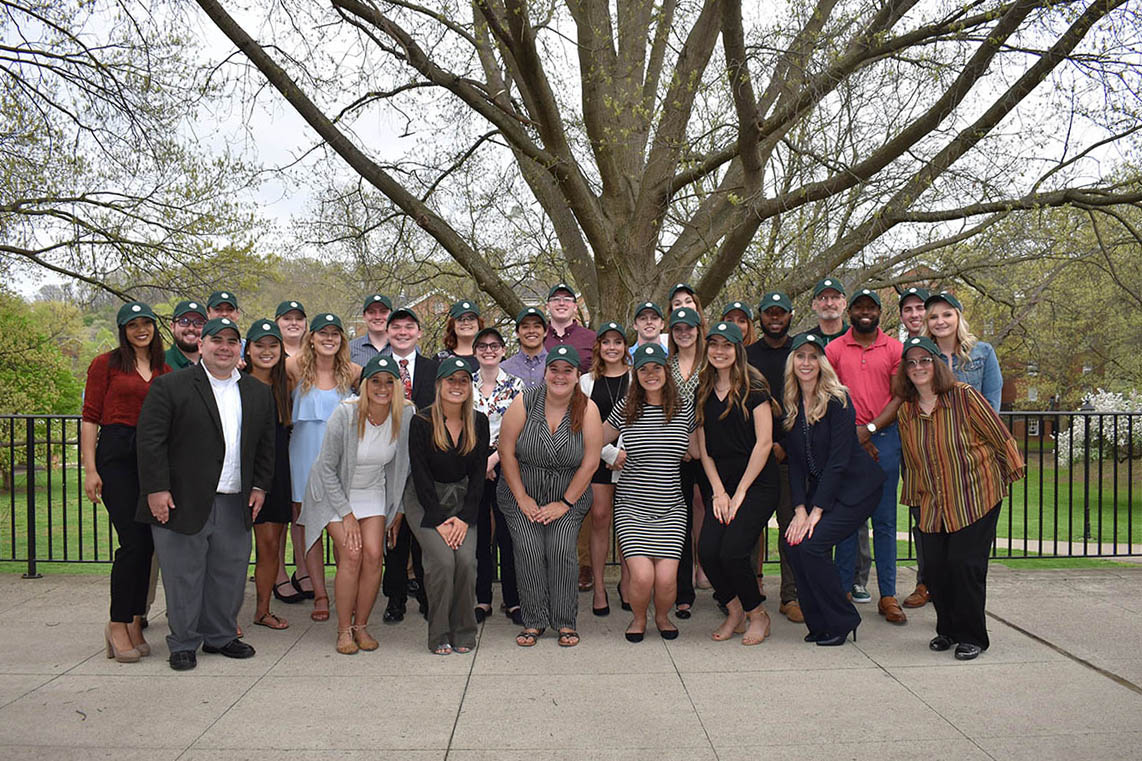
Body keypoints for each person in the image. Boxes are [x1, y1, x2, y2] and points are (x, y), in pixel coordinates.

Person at [136, 317, 275, 671]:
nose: (225, 347)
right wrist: (155, 489)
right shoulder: (170, 386)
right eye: (217, 340)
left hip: (235, 499)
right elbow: (150, 442)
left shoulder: (257, 392)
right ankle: (183, 642)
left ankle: (221, 635)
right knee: (183, 575)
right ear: (202, 345)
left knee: (228, 573)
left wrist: (259, 486)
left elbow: (265, 447)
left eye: (232, 341)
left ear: (239, 348)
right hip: (181, 500)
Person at [895, 336, 1024, 660]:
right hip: (932, 501)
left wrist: (1007, 477)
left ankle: (972, 636)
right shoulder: (906, 412)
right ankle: (948, 630)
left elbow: (999, 436)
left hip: (976, 495)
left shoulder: (964, 397)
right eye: (911, 363)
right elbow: (911, 461)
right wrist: (913, 500)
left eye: (925, 360)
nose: (918, 367)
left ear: (937, 364)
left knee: (965, 565)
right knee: (935, 569)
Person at [299, 354, 413, 654]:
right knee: (352, 553)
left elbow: (402, 467)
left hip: (372, 488)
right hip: (333, 491)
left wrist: (397, 509)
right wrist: (347, 515)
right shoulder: (345, 414)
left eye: (389, 382)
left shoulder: (405, 414)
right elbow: (325, 468)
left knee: (375, 555)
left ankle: (361, 626)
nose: (382, 387)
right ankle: (343, 630)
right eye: (375, 381)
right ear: (364, 384)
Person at [82, 301, 171, 662]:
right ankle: (117, 622)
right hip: (117, 456)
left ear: (153, 327)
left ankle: (135, 619)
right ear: (123, 330)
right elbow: (90, 417)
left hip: (150, 459)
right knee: (132, 542)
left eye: (145, 323)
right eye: (132, 325)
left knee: (148, 544)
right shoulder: (106, 364)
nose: (140, 330)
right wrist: (90, 469)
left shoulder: (164, 370)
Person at [782, 333, 884, 646]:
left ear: (823, 363)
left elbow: (838, 462)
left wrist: (816, 512)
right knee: (792, 544)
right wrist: (799, 509)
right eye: (801, 356)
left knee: (812, 545)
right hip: (823, 491)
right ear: (793, 363)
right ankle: (819, 622)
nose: (807, 363)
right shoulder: (791, 402)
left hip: (857, 489)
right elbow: (797, 464)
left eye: (814, 356)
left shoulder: (838, 399)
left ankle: (843, 620)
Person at [497, 345, 602, 647]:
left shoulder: (588, 409)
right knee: (529, 548)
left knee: (560, 548)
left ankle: (565, 621)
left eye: (567, 370)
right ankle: (534, 621)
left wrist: (564, 503)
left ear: (577, 375)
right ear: (545, 373)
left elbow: (591, 462)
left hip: (568, 494)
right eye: (554, 369)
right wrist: (522, 498)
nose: (559, 376)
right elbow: (506, 451)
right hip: (522, 491)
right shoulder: (524, 402)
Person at [603, 343, 695, 642]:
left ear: (666, 371)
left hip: (671, 508)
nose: (651, 374)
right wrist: (609, 453)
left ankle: (663, 616)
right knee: (642, 577)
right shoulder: (626, 408)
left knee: (667, 581)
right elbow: (590, 440)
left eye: (657, 367)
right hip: (632, 505)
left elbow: (698, 449)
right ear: (636, 373)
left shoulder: (683, 408)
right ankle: (639, 618)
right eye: (644, 369)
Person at [826, 288, 907, 624]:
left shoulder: (895, 349)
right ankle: (843, 591)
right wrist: (854, 434)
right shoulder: (833, 349)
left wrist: (870, 430)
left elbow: (899, 396)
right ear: (850, 312)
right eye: (858, 306)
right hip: (846, 440)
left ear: (879, 312)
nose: (864, 312)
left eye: (870, 307)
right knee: (847, 521)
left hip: (884, 439)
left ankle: (887, 595)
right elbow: (829, 395)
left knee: (885, 522)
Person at [695, 322, 779, 645]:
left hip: (756, 483)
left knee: (732, 551)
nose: (719, 351)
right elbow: (705, 449)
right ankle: (734, 610)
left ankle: (758, 614)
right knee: (708, 550)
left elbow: (764, 443)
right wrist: (718, 491)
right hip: (722, 484)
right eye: (713, 344)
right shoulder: (702, 390)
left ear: (738, 349)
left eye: (726, 345)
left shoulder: (754, 388)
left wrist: (740, 491)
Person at [404, 358, 490, 654]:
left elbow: (479, 475)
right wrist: (439, 519)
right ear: (439, 385)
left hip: (463, 500)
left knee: (466, 562)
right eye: (450, 380)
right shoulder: (422, 421)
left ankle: (464, 631)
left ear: (470, 386)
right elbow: (420, 474)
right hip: (425, 501)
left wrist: (465, 518)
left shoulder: (479, 421)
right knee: (442, 562)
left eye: (463, 380)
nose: (456, 386)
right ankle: (439, 632)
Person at [287, 313, 362, 622]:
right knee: (309, 528)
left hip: (341, 462)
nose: (329, 339)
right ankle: (319, 591)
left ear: (342, 339)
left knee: (344, 528)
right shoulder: (293, 369)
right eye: (323, 333)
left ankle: (349, 590)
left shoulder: (354, 373)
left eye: (335, 334)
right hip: (302, 457)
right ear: (312, 338)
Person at [745, 291, 802, 623]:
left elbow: (808, 403)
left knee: (789, 528)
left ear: (790, 315)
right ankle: (750, 594)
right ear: (761, 317)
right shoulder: (747, 356)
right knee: (751, 528)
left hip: (789, 455)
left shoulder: (801, 352)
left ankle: (791, 595)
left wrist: (784, 443)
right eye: (769, 313)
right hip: (754, 454)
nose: (775, 318)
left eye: (781, 313)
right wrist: (763, 444)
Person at [379, 307, 438, 622]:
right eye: (396, 327)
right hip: (388, 460)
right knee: (394, 534)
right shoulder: (377, 368)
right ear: (388, 333)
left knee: (423, 534)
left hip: (426, 461)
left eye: (409, 327)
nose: (403, 332)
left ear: (419, 333)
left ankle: (428, 598)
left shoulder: (433, 368)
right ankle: (395, 598)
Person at [471, 326, 525, 625]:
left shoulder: (516, 385)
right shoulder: (465, 383)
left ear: (503, 350)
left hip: (506, 465)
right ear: (475, 351)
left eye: (494, 345)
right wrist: (481, 463)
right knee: (479, 537)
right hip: (474, 467)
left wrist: (494, 460)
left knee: (508, 534)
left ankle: (513, 600)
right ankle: (482, 599)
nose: (488, 350)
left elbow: (519, 428)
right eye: (482, 346)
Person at [243, 320, 295, 631]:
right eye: (259, 345)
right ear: (247, 349)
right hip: (247, 476)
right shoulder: (235, 383)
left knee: (272, 545)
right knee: (235, 550)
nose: (266, 351)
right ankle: (221, 615)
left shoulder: (285, 385)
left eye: (273, 345)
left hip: (278, 473)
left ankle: (262, 610)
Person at [579, 321, 631, 615]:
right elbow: (580, 425)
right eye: (606, 342)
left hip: (631, 461)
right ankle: (599, 587)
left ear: (625, 347)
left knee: (626, 523)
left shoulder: (637, 378)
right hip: (597, 459)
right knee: (599, 517)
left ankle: (627, 582)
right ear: (598, 346)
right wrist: (607, 451)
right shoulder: (586, 382)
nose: (612, 347)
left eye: (618, 342)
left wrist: (624, 451)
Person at [895, 286, 931, 610]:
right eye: (909, 309)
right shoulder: (900, 351)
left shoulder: (948, 348)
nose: (915, 314)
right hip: (912, 445)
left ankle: (946, 580)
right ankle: (926, 581)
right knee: (921, 514)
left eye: (920, 307)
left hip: (950, 448)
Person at [667, 307, 704, 618]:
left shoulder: (712, 363)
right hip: (677, 454)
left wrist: (697, 442)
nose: (683, 333)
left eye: (688, 328)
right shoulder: (665, 368)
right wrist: (682, 443)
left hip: (709, 452)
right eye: (677, 328)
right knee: (681, 522)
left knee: (716, 520)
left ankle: (724, 586)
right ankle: (682, 591)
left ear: (698, 330)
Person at [923, 292, 1003, 412]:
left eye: (947, 315)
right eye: (933, 317)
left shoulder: (983, 352)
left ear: (958, 318)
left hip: (975, 429)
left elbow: (992, 404)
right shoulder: (922, 357)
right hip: (936, 429)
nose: (940, 322)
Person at [543, 283, 594, 371]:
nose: (561, 303)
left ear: (575, 307)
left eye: (567, 299)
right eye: (556, 299)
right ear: (547, 307)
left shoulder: (592, 338)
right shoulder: (536, 339)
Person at [501, 307, 549, 387]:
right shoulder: (504, 369)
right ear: (517, 333)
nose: (531, 331)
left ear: (545, 332)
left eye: (537, 326)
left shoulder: (557, 366)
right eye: (525, 327)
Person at [799, 277, 848, 346]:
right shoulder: (804, 342)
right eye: (823, 298)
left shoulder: (857, 337)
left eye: (835, 297)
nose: (829, 303)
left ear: (844, 303)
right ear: (814, 305)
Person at [436, 300, 483, 369]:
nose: (466, 323)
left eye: (471, 318)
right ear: (453, 325)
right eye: (460, 319)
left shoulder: (492, 356)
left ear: (478, 324)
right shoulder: (440, 359)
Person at [348, 294, 392, 365]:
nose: (377, 317)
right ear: (364, 316)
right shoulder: (349, 349)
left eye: (383, 312)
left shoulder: (405, 348)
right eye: (371, 312)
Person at [165, 300, 205, 369]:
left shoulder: (215, 362)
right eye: (184, 321)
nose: (191, 328)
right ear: (172, 326)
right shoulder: (159, 362)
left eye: (198, 322)